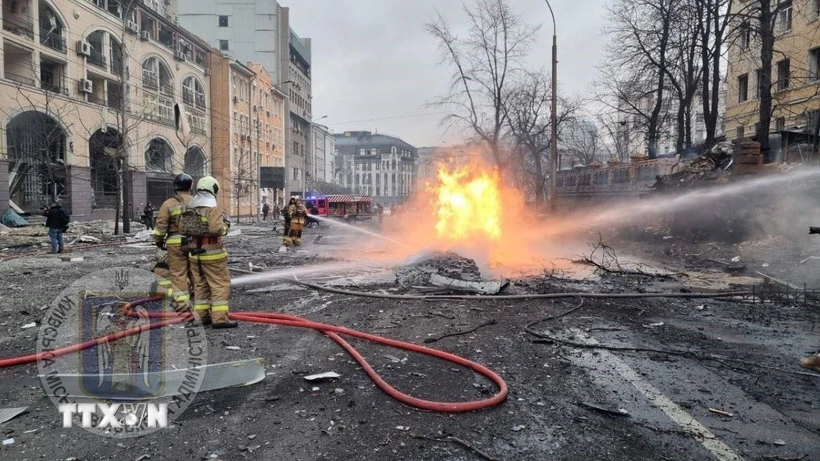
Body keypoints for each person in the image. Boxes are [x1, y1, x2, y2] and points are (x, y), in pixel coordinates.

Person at [183, 176, 236, 329]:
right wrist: (226, 227)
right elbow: (216, 229)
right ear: (213, 189)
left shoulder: (190, 207)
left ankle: (201, 317)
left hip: (195, 254)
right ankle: (219, 319)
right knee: (220, 285)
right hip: (212, 253)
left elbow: (182, 229)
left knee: (200, 285)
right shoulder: (212, 208)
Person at [153, 174, 194, 309]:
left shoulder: (168, 204)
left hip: (175, 243)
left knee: (178, 274)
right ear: (190, 186)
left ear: (175, 187)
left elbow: (161, 226)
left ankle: (183, 304)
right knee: (196, 272)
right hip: (195, 243)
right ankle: (203, 304)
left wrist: (158, 241)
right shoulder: (197, 202)